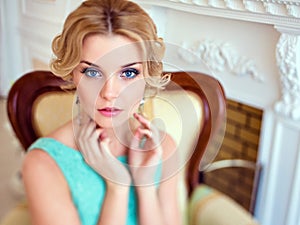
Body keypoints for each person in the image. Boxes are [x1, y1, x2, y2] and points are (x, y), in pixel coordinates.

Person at [22, 0, 182, 225]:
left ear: (148, 76)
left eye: (128, 73)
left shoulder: (164, 148)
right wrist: (117, 187)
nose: (109, 93)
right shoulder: (42, 164)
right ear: (72, 74)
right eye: (92, 72)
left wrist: (144, 186)